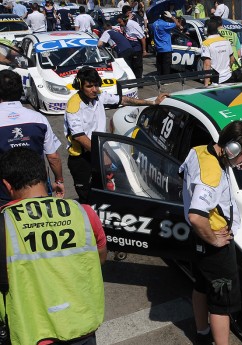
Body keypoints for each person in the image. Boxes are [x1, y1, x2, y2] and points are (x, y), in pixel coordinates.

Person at [0, 147, 107, 345]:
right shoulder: (83, 212)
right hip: (82, 327)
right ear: (45, 175)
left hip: (33, 333)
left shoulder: (4, 223)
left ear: (7, 185)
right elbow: (99, 256)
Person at [179, 120, 242, 345]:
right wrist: (214, 240)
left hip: (198, 238)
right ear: (232, 148)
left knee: (201, 286)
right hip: (214, 240)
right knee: (221, 304)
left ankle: (202, 333)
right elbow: (197, 215)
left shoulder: (198, 151)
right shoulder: (212, 172)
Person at [64, 67, 168, 203]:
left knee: (112, 187)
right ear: (80, 86)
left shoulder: (98, 96)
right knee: (88, 197)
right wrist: (101, 154)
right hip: (82, 159)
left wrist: (152, 103)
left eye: (96, 85)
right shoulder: (74, 106)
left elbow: (123, 100)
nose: (94, 89)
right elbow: (80, 137)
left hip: (98, 149)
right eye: (89, 86)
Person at [0, 70, 63, 204]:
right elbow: (53, 157)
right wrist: (59, 180)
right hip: (38, 192)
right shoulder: (39, 119)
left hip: (5, 194)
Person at [201, 20, 235, 86]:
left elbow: (207, 65)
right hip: (228, 77)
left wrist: (206, 85)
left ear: (206, 30)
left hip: (215, 80)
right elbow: (232, 59)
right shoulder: (226, 41)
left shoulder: (206, 43)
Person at [152, 11, 182, 75]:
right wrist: (171, 17)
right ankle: (165, 81)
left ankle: (159, 79)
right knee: (166, 66)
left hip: (158, 48)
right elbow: (177, 24)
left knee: (160, 65)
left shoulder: (154, 24)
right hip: (166, 49)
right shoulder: (165, 24)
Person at [117, 13, 146, 78]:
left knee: (137, 67)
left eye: (120, 22)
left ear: (124, 20)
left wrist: (144, 50)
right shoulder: (125, 24)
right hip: (129, 49)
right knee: (130, 66)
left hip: (136, 49)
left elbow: (143, 38)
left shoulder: (132, 25)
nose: (119, 24)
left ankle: (139, 82)